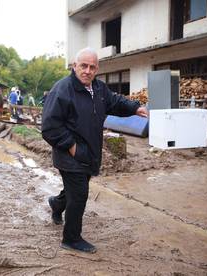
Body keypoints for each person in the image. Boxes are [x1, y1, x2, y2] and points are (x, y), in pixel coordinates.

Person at [42, 47, 148, 254]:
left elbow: (115, 102)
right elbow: (50, 127)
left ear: (97, 69)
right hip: (69, 155)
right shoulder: (62, 90)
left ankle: (56, 204)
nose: (87, 71)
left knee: (74, 190)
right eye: (83, 66)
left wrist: (135, 108)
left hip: (89, 152)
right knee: (79, 195)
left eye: (92, 67)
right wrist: (72, 147)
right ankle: (71, 238)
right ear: (75, 66)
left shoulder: (98, 89)